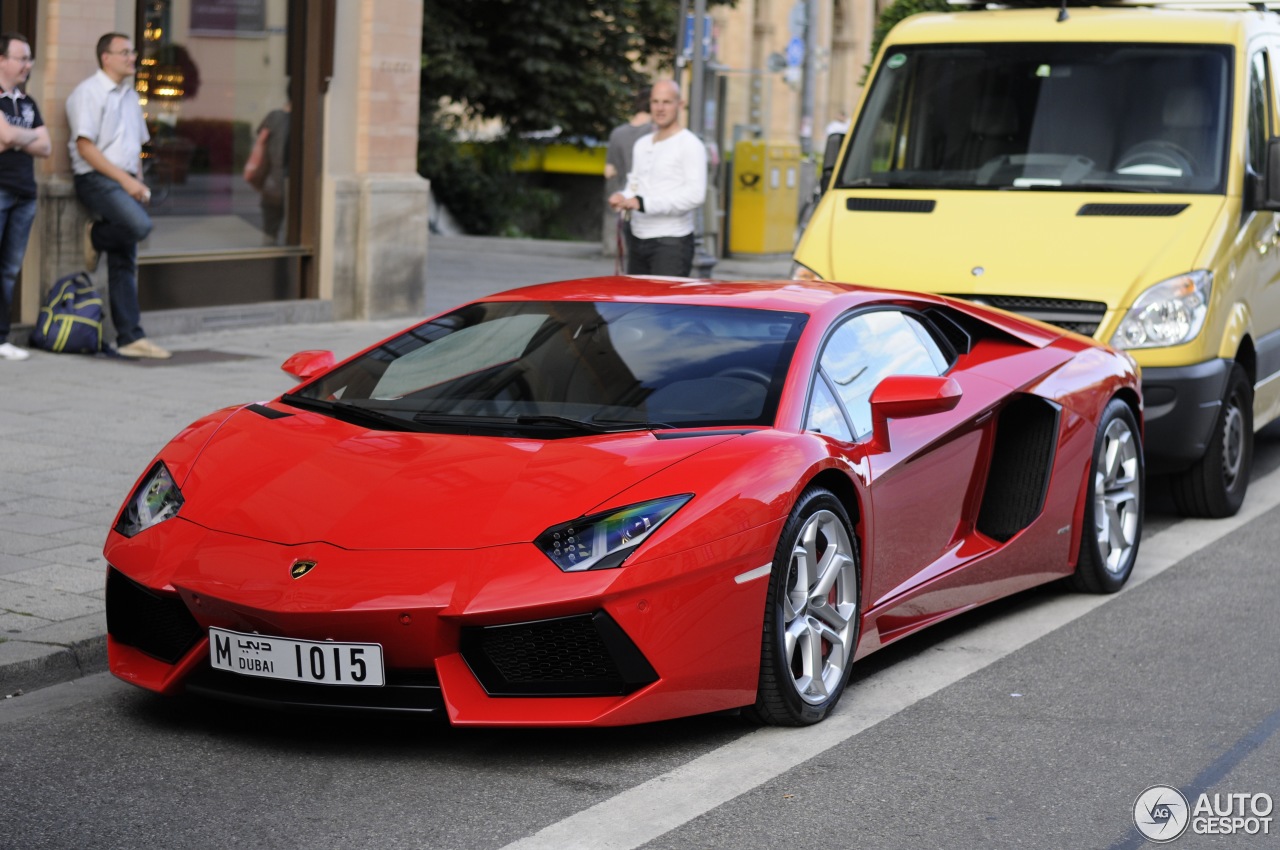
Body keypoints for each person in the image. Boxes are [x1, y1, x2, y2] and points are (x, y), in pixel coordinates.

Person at [65, 32, 170, 359]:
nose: (132, 58)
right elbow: (85, 146)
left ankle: (129, 336)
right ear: (105, 57)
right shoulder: (89, 93)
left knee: (125, 257)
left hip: (123, 181)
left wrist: (136, 181)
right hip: (95, 178)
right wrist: (127, 183)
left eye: (133, 52)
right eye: (124, 52)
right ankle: (96, 235)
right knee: (139, 228)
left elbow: (135, 148)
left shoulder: (128, 96)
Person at [608, 79, 707, 277]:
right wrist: (623, 196)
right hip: (636, 237)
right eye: (655, 102)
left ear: (680, 104)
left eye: (667, 102)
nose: (660, 108)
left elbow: (696, 196)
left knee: (665, 308)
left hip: (671, 242)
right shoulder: (642, 144)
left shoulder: (690, 144)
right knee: (636, 307)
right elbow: (634, 185)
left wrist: (644, 204)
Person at [0, 33, 50, 362]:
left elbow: (47, 147)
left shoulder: (28, 102)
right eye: (22, 58)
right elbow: (3, 137)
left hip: (25, 195)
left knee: (8, 270)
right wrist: (22, 137)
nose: (28, 65)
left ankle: (1, 338)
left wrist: (16, 137)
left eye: (30, 58)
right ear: (2, 60)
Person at [602, 87, 651, 262]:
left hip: (620, 196)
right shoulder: (655, 132)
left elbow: (609, 171)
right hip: (646, 199)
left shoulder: (618, 133)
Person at [245, 96, 290, 244]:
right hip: (292, 188)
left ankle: (272, 264)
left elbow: (260, 137)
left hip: (272, 184)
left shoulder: (273, 117)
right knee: (295, 236)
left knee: (270, 234)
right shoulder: (304, 119)